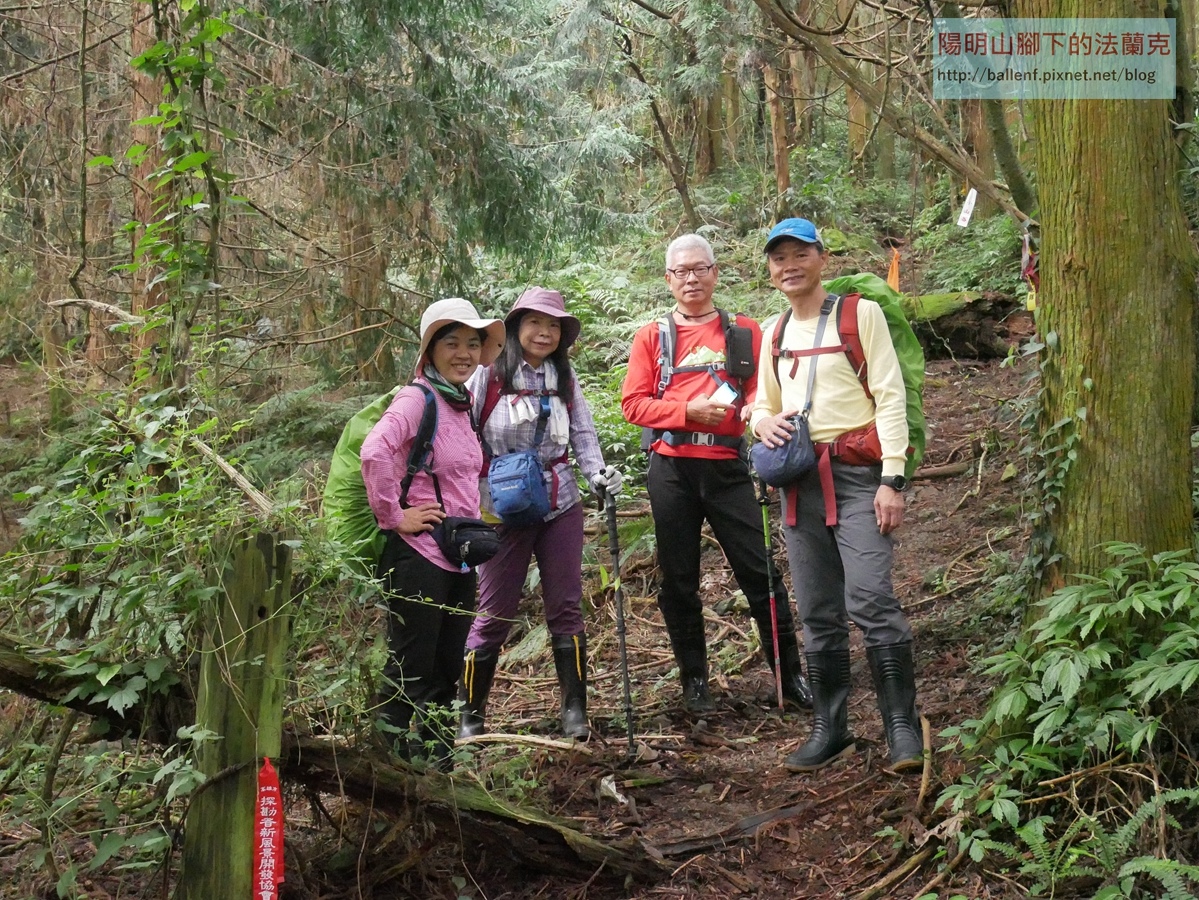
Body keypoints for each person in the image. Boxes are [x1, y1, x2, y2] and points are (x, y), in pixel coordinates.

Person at [750, 218, 923, 772]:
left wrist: (893, 479)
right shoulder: (774, 331)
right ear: (770, 269)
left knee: (870, 597)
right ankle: (831, 729)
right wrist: (761, 422)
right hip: (799, 483)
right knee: (817, 611)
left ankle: (902, 728)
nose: (789, 266)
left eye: (800, 254)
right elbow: (763, 402)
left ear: (822, 258)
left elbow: (890, 396)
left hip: (857, 477)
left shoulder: (859, 314)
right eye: (779, 258)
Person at [621, 233, 811, 714]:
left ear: (715, 273)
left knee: (760, 570)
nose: (691, 278)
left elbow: (762, 391)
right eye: (681, 271)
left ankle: (789, 675)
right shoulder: (652, 337)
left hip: (727, 466)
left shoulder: (743, 331)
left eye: (700, 269)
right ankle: (695, 683)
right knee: (678, 578)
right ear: (668, 279)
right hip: (671, 469)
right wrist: (686, 412)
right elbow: (633, 404)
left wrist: (754, 413)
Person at [457, 287, 622, 741]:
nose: (544, 332)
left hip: (559, 501)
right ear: (516, 328)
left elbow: (583, 434)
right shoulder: (488, 374)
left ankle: (575, 711)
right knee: (494, 610)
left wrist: (598, 475)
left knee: (566, 605)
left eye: (553, 326)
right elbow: (462, 432)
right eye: (535, 322)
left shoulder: (563, 376)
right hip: (500, 506)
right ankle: (469, 714)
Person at [360, 297, 505, 766]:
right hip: (418, 555)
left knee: (447, 665)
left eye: (472, 344)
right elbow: (375, 451)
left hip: (457, 557)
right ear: (430, 350)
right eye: (452, 343)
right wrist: (393, 515)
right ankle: (391, 768)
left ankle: (439, 766)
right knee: (411, 665)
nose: (464, 353)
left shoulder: (460, 402)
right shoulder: (416, 399)